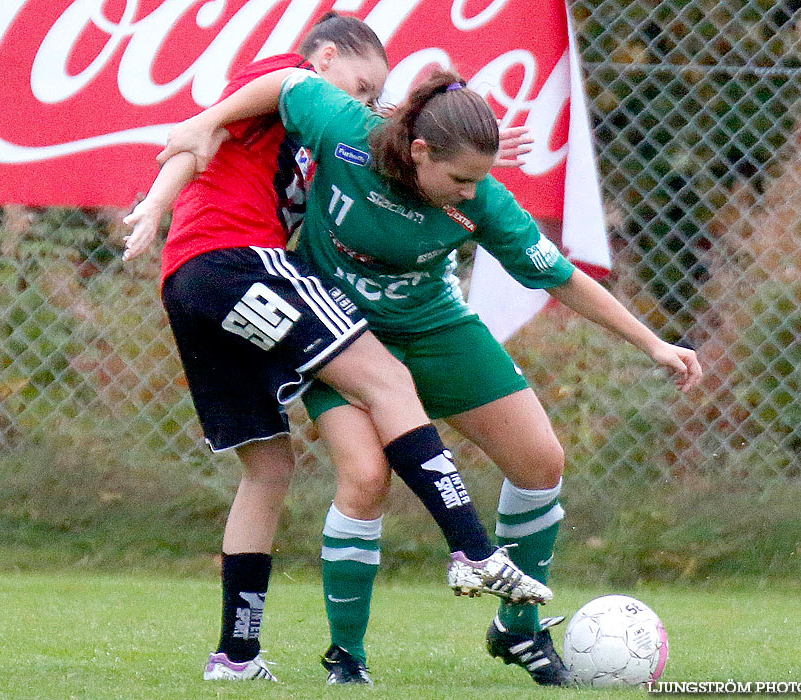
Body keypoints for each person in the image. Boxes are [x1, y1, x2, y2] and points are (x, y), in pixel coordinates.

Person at [157, 65, 704, 687]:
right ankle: (347, 659)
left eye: (481, 178)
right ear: (418, 151)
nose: (473, 192)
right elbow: (285, 85)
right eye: (461, 178)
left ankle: (518, 628)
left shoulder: (485, 202)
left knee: (541, 461)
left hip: (435, 327)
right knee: (364, 479)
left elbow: (558, 277)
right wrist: (201, 124)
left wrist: (652, 342)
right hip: (341, 330)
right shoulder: (347, 134)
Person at [123, 13, 549, 685]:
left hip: (192, 284)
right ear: (324, 57)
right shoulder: (283, 77)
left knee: (267, 468)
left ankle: (236, 657)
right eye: (360, 85)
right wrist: (155, 204)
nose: (364, 102)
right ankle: (471, 547)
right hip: (238, 262)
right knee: (386, 380)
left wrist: (455, 150)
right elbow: (199, 132)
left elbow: (376, 143)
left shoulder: (319, 137)